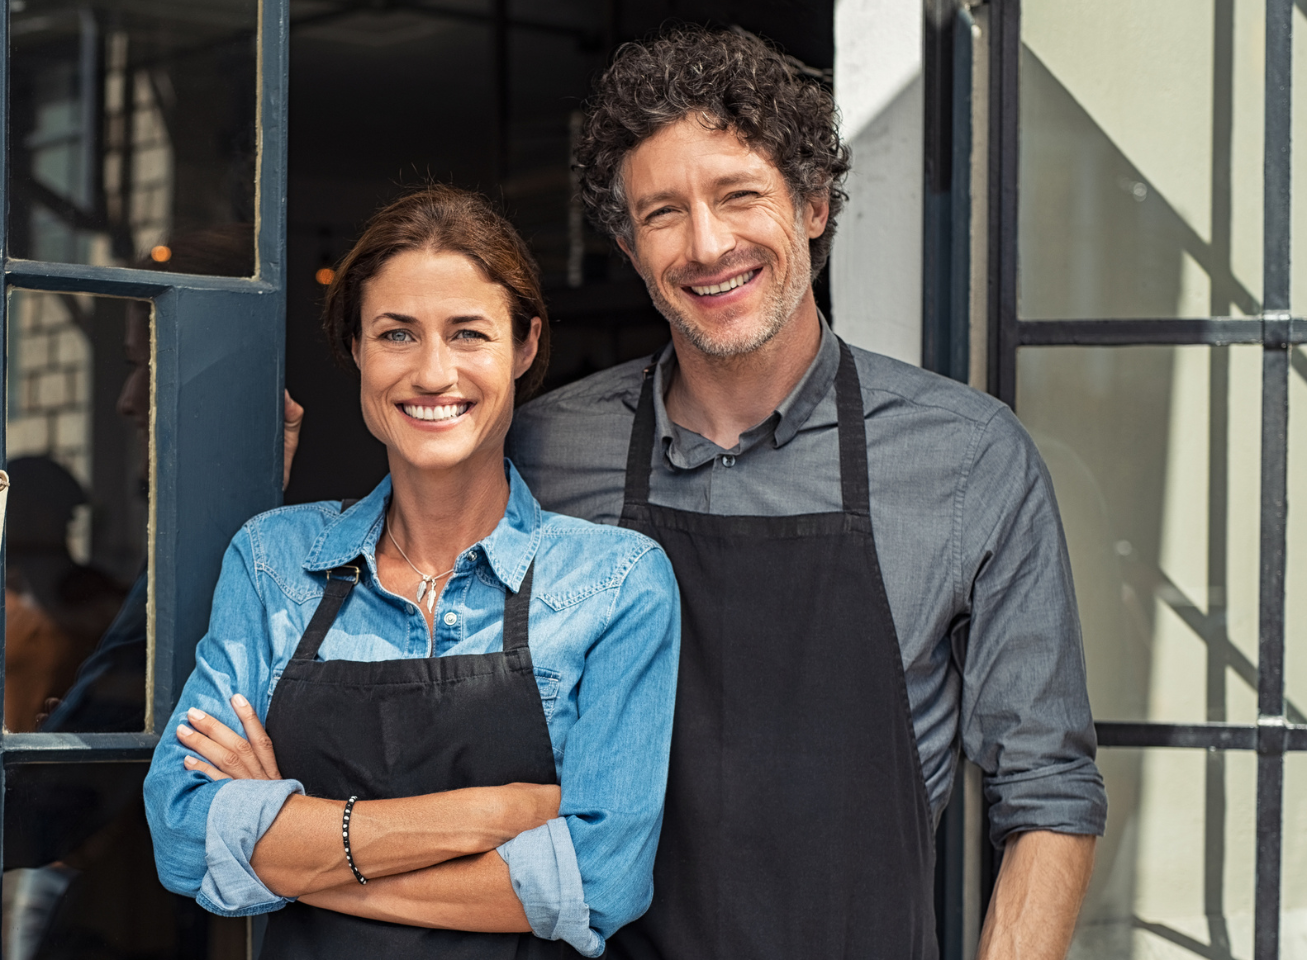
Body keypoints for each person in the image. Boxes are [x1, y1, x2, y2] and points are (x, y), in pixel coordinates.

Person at [507, 27, 1106, 960]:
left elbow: (1049, 794)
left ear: (816, 203)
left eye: (740, 195)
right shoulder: (544, 450)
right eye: (663, 212)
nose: (708, 246)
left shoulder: (967, 458)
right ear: (628, 245)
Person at [144, 185, 681, 959]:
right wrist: (491, 816)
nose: (434, 373)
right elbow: (183, 831)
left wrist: (290, 854)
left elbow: (599, 882)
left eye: (469, 334)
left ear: (525, 346)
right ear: (356, 350)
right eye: (397, 334)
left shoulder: (614, 584)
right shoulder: (274, 562)